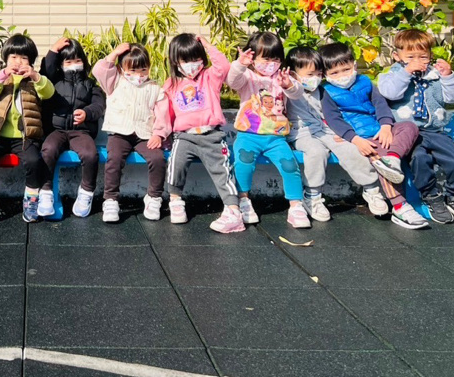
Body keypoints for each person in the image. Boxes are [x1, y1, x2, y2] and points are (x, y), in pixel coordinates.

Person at [319, 42, 428, 230]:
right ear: (325, 74)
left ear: (354, 65)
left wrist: (386, 126)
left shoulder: (365, 81)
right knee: (380, 158)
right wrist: (355, 140)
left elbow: (380, 105)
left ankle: (393, 157)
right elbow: (334, 119)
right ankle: (400, 207)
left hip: (380, 130)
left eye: (346, 69)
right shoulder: (326, 91)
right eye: (334, 73)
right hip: (362, 136)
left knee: (409, 127)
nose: (342, 76)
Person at [377, 29, 454, 223]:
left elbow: (453, 98)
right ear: (397, 56)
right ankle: (431, 197)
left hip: (435, 130)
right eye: (410, 57)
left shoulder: (435, 76)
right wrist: (406, 72)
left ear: (430, 55)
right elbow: (390, 93)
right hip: (409, 134)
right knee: (420, 160)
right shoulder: (393, 75)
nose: (417, 61)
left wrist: (448, 76)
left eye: (423, 56)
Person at [285, 46, 389, 221]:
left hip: (325, 130)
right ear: (293, 74)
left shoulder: (323, 90)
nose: (315, 78)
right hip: (301, 132)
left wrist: (342, 134)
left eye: (319, 74)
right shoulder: (288, 90)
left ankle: (371, 189)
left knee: (350, 148)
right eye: (310, 74)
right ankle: (312, 195)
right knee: (316, 152)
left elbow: (332, 116)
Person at [154, 33, 243, 233]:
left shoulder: (209, 77)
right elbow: (164, 113)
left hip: (212, 136)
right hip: (184, 136)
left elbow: (223, 66)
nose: (191, 65)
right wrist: (161, 134)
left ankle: (233, 211)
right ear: (175, 62)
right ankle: (175, 201)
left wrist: (208, 45)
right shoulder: (171, 84)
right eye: (186, 60)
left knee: (222, 171)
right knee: (175, 165)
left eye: (196, 59)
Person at [227, 32, 310, 229]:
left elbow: (297, 93)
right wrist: (240, 64)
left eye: (276, 58)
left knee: (289, 165)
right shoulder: (247, 76)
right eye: (265, 58)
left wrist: (288, 85)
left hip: (276, 138)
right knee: (243, 162)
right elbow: (232, 81)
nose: (271, 63)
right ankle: (244, 200)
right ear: (253, 58)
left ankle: (296, 205)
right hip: (248, 135)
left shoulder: (282, 77)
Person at [0, 33, 55, 223]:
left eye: (23, 58)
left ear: (31, 62)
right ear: (5, 59)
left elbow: (49, 93)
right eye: (13, 57)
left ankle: (31, 197)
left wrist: (36, 77)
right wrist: (2, 76)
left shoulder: (34, 80)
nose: (18, 62)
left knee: (33, 160)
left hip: (25, 136)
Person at [94, 42, 166, 223]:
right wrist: (115, 53)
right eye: (132, 70)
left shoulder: (155, 88)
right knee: (114, 159)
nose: (138, 75)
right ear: (121, 68)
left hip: (145, 134)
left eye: (143, 70)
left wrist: (158, 133)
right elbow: (99, 70)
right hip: (119, 133)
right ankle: (111, 200)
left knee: (157, 159)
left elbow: (163, 114)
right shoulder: (114, 81)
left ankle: (154, 197)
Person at [38, 37, 106, 218]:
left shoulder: (90, 85)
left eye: (77, 60)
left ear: (83, 61)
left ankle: (86, 193)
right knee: (48, 150)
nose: (73, 65)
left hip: (81, 131)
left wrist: (87, 113)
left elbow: (99, 106)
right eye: (68, 61)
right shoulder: (53, 81)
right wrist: (53, 50)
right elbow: (45, 70)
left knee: (90, 154)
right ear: (61, 64)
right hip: (56, 130)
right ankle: (45, 193)